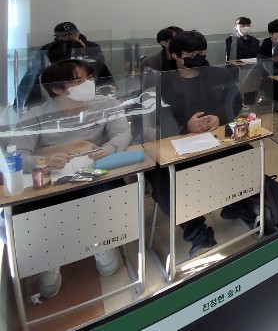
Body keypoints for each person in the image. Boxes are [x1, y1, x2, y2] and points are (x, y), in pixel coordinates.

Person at [12, 59, 133, 297]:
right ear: (57, 89)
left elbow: (122, 132)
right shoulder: (36, 116)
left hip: (92, 170)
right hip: (53, 176)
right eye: (78, 81)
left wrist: (109, 148)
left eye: (89, 78)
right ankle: (51, 257)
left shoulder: (106, 103)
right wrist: (42, 161)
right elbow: (17, 154)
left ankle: (101, 243)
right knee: (39, 210)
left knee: (107, 195)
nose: (87, 84)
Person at [149, 31, 244, 257]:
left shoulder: (217, 75)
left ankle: (242, 204)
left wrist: (220, 117)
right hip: (177, 146)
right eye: (191, 55)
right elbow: (154, 118)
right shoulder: (162, 82)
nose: (199, 58)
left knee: (245, 155)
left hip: (214, 139)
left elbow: (235, 101)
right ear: (175, 55)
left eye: (202, 52)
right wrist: (184, 126)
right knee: (161, 175)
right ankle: (196, 231)